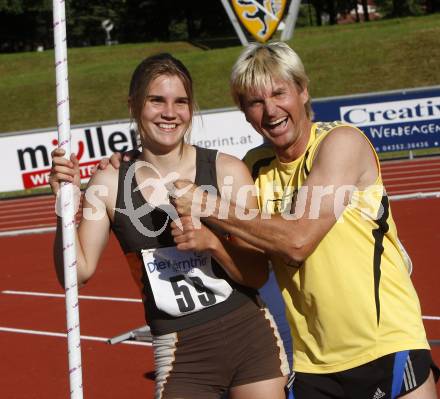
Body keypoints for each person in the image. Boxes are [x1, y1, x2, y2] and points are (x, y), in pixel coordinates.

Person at [165, 42, 439, 399]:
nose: (271, 110)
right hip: (311, 363)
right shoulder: (253, 167)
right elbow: (254, 271)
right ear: (244, 112)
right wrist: (126, 162)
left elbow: (297, 242)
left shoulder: (340, 143)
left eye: (279, 93)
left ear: (303, 91)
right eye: (255, 102)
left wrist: (206, 204)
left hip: (385, 346)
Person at [49, 53, 289, 399]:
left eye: (181, 102)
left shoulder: (227, 171)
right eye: (156, 100)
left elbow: (256, 275)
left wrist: (212, 243)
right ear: (133, 105)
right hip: (181, 353)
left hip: (249, 339)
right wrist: (64, 201)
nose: (170, 113)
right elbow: (76, 273)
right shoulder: (110, 181)